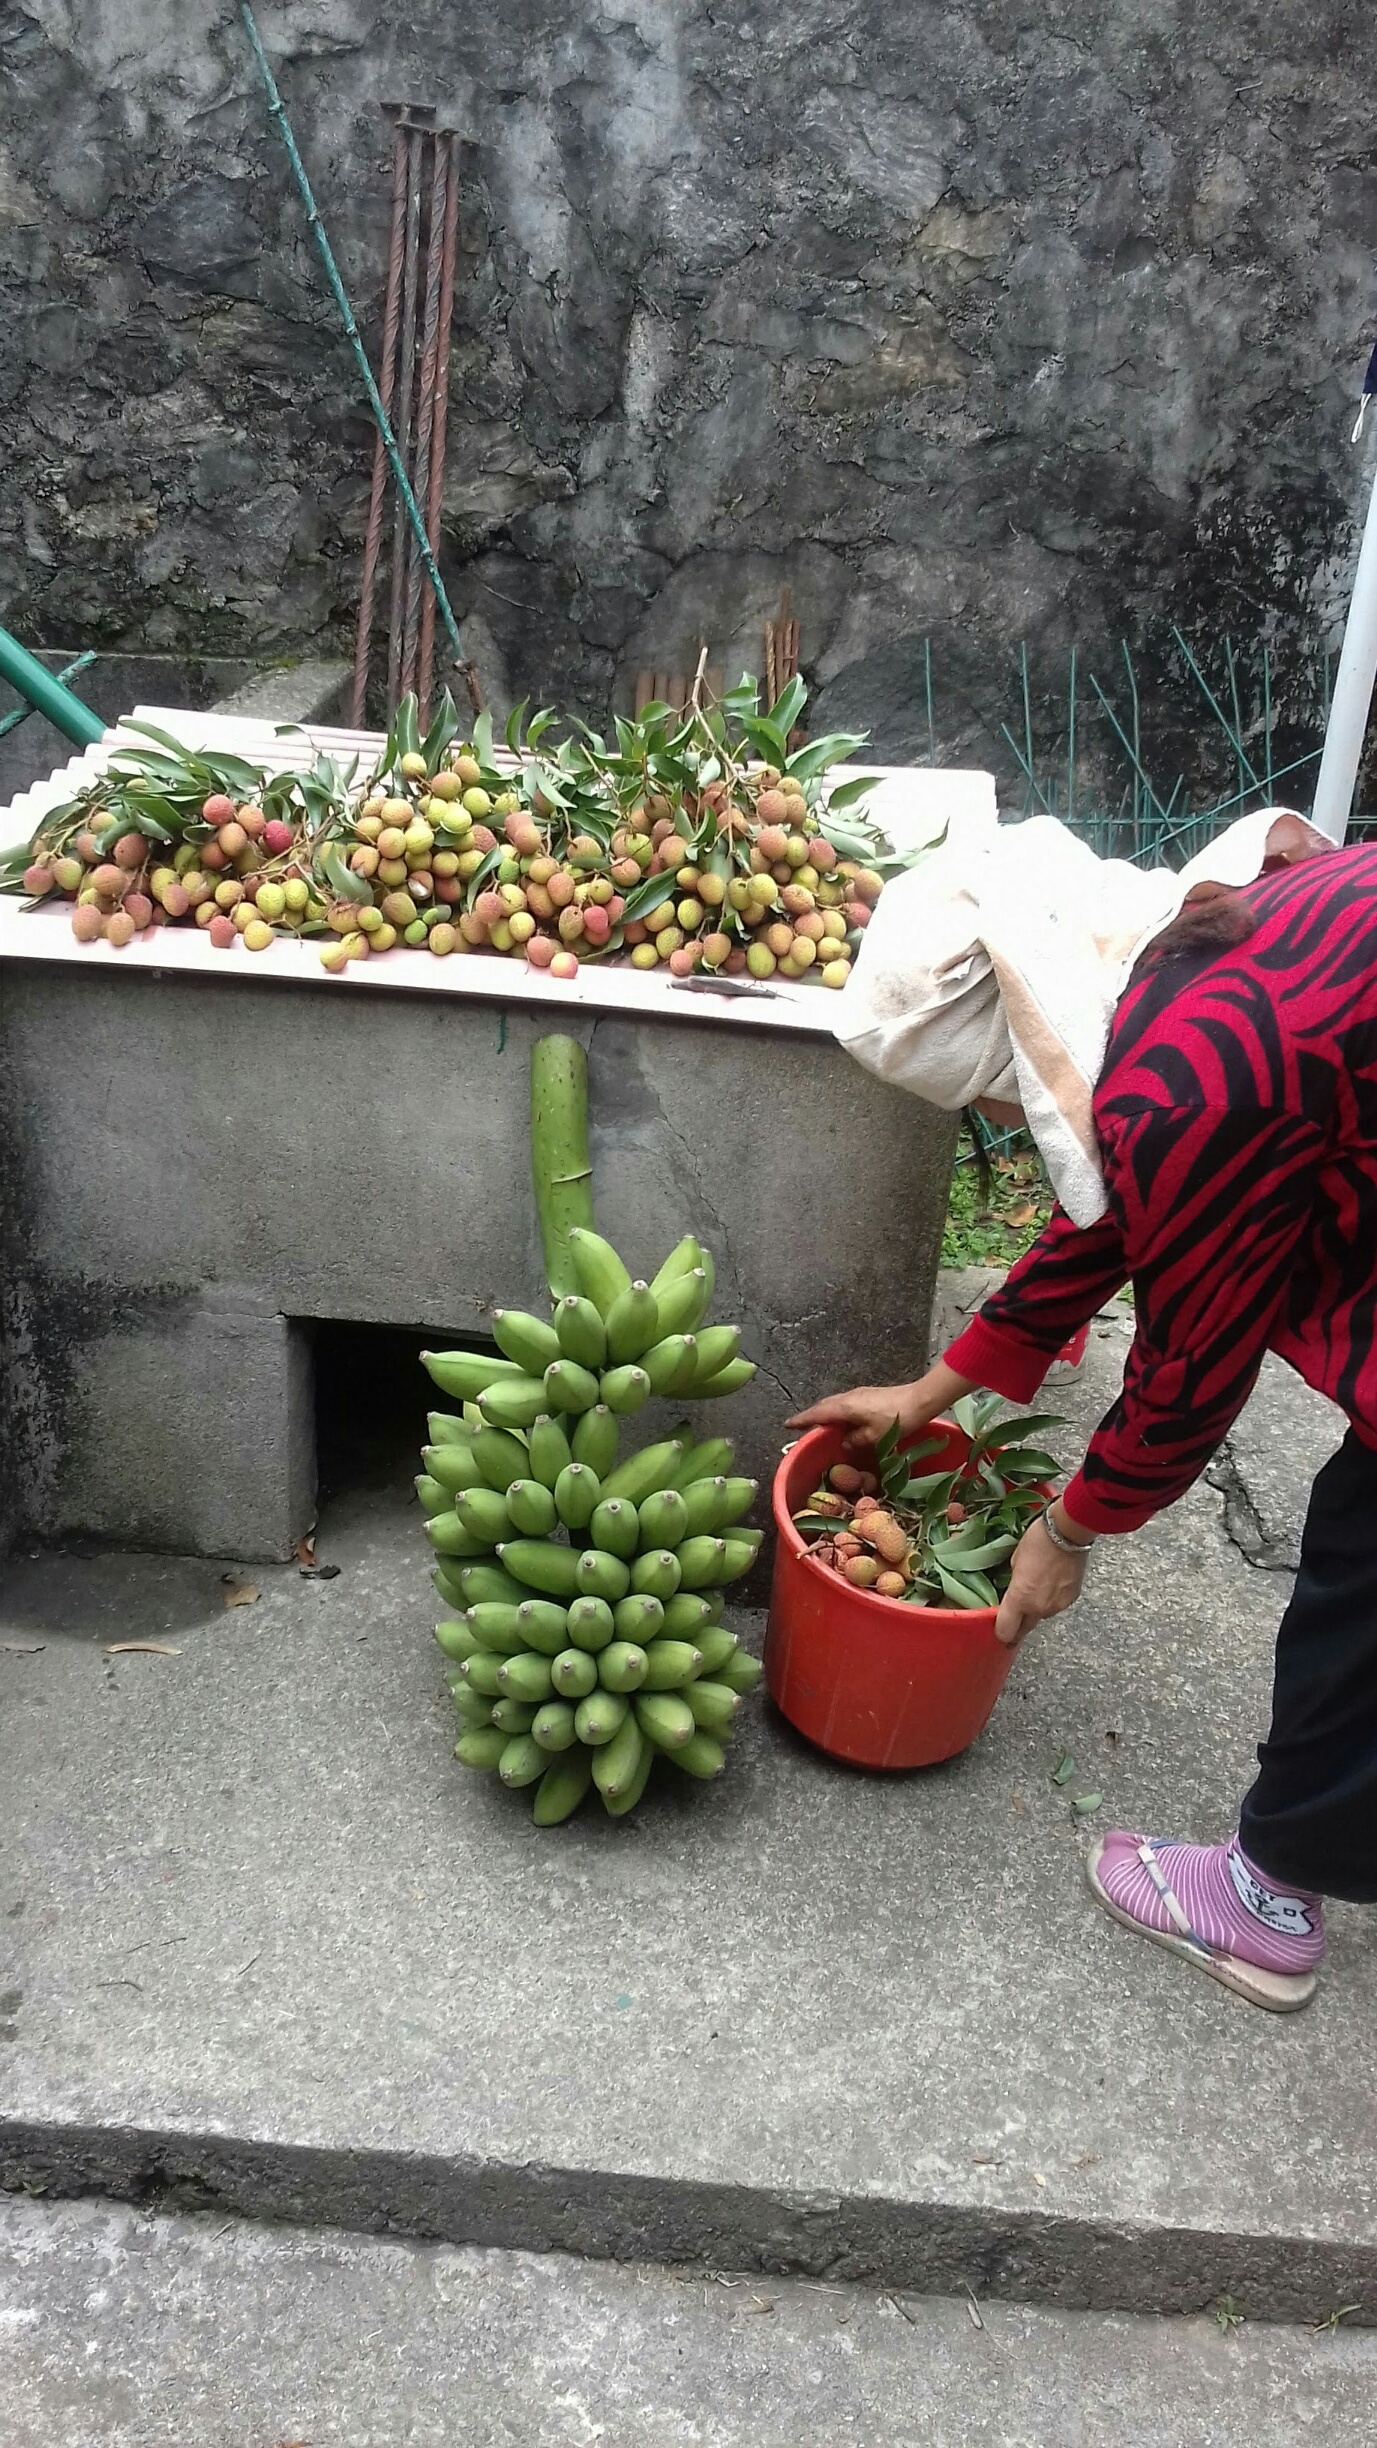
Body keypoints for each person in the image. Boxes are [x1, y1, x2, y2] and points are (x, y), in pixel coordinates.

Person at [791, 844, 1377, 2014]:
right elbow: (1134, 1208)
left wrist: (1070, 1528)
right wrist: (929, 1393)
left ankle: (1262, 1907)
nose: (1012, 1119)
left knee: (1363, 1578)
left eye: (992, 1100)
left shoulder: (1190, 1076)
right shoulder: (1193, 945)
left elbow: (1192, 1366)